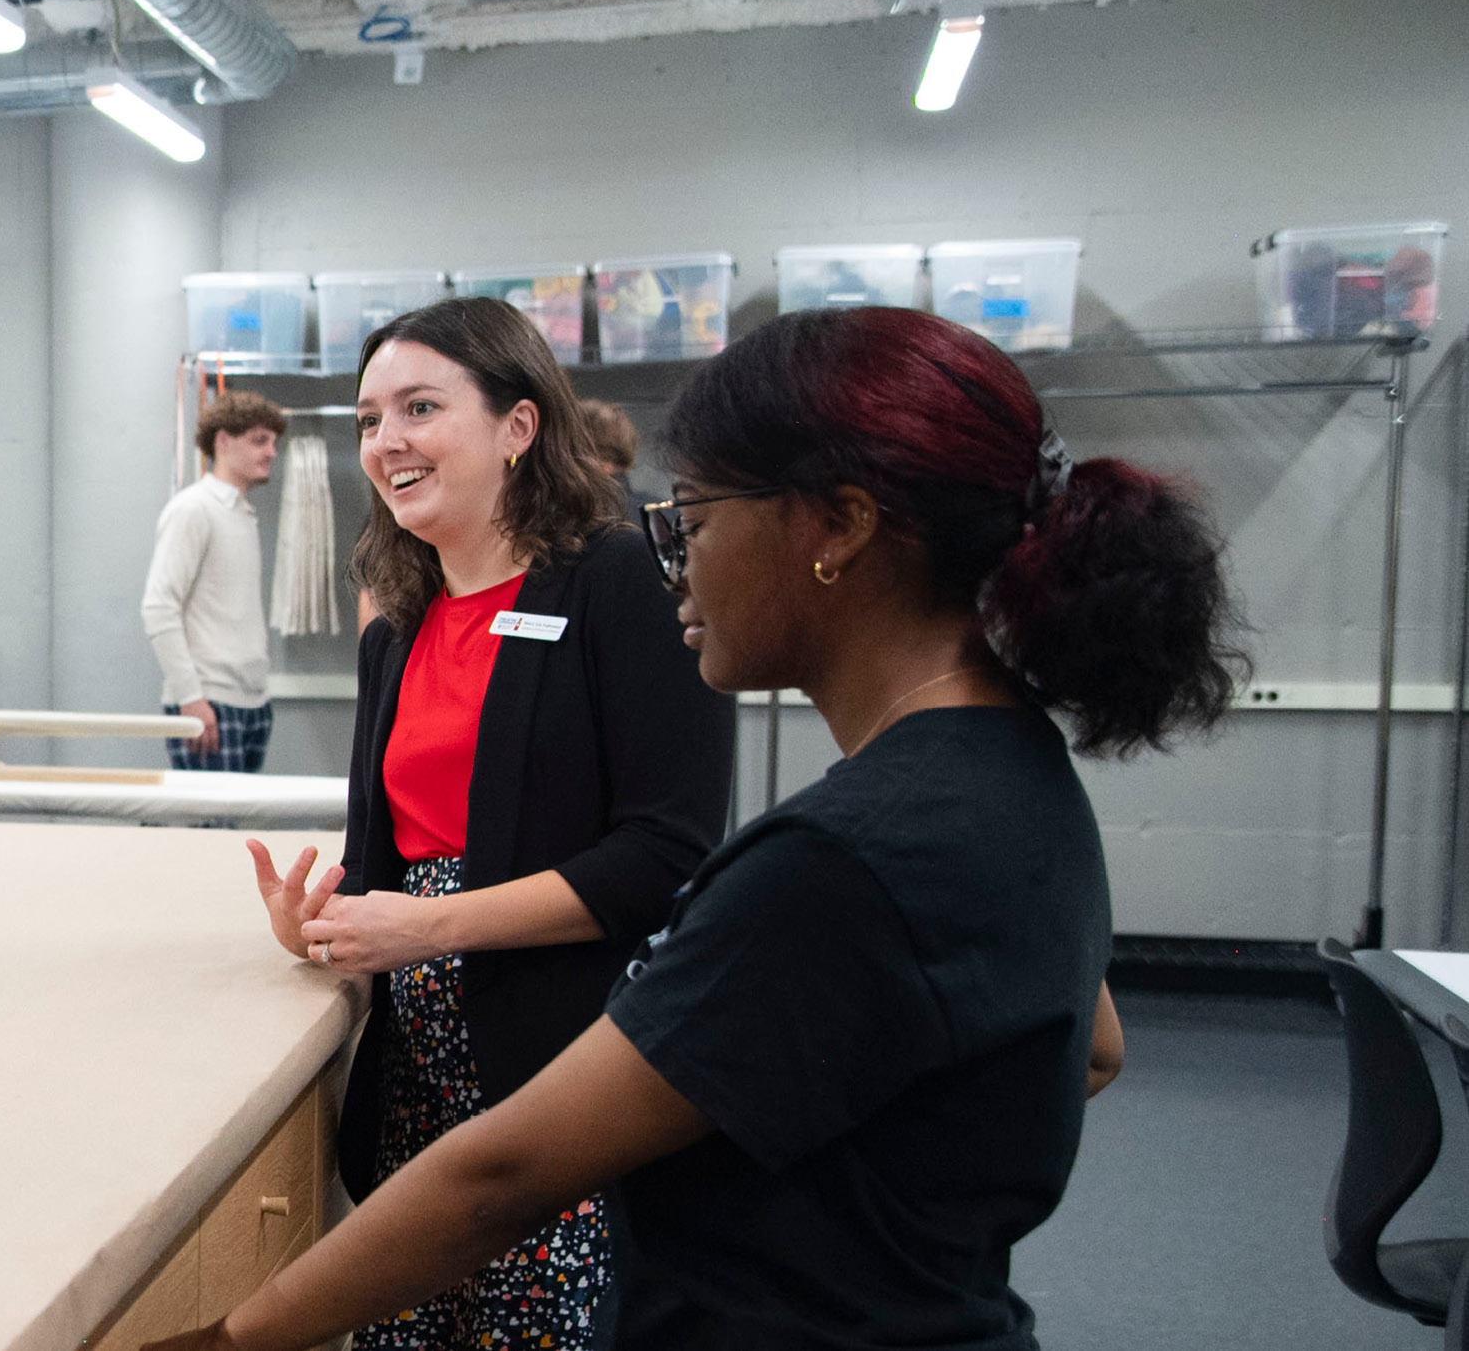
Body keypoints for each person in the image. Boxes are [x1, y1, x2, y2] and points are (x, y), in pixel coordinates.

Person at [166, 304, 1178, 1351]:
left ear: (835, 527)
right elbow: (1089, 1047)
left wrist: (222, 1342)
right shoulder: (1012, 778)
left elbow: (498, 1180)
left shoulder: (839, 861)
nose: (676, 561)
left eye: (692, 520)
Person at [244, 295, 733, 1348]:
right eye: (369, 419)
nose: (386, 443)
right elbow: (382, 868)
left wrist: (431, 926)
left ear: (518, 426)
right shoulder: (399, 630)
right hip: (416, 1077)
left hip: (564, 1072)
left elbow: (665, 855)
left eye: (419, 408)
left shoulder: (619, 582)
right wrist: (326, 927)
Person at [143, 392, 282, 772]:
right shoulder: (194, 509)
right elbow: (158, 608)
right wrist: (191, 698)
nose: (271, 451)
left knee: (233, 830)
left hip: (251, 701)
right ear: (222, 441)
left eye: (273, 442)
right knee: (211, 831)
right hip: (208, 702)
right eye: (259, 440)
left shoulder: (241, 515)